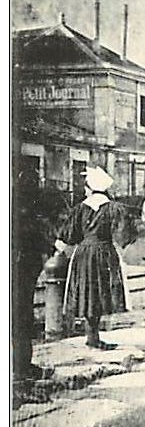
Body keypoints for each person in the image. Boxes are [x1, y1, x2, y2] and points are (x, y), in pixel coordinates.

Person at [55, 166, 137, 351]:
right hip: (105, 253)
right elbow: (125, 235)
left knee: (86, 292)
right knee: (101, 292)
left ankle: (92, 336)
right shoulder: (114, 208)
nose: (85, 190)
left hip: (84, 254)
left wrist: (59, 251)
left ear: (91, 188)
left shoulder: (80, 209)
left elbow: (67, 235)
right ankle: (94, 337)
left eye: (86, 187)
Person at [12, 167, 64, 397]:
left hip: (21, 267)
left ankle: (23, 368)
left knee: (22, 319)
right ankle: (19, 375)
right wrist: (52, 246)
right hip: (19, 269)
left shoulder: (19, 205)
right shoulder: (22, 210)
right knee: (21, 319)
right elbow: (33, 234)